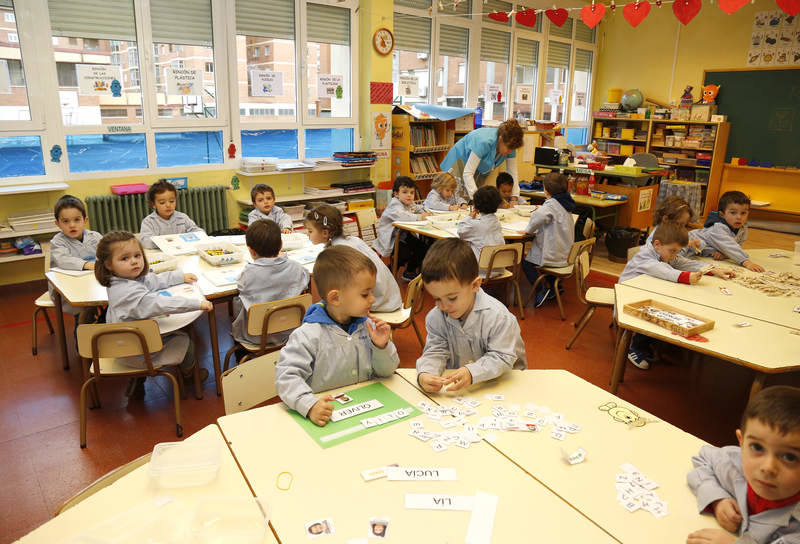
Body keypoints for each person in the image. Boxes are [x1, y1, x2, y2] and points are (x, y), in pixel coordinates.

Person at [275, 246, 399, 426]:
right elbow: (286, 377)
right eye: (365, 294)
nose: (372, 299)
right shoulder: (308, 335)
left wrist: (381, 347)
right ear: (335, 298)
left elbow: (388, 372)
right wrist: (309, 405)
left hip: (365, 411)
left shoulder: (369, 326)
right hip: (327, 416)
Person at [94, 231, 212, 398]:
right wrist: (196, 304)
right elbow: (162, 303)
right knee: (186, 340)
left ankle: (138, 378)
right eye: (124, 259)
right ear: (108, 264)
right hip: (135, 351)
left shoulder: (122, 280)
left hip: (124, 343)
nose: (134, 261)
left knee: (169, 330)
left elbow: (152, 280)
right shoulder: (128, 293)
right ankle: (189, 376)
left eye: (137, 255)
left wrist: (180, 277)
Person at [687, 385, 800, 544]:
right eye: (757, 447)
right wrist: (718, 499)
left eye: (790, 457)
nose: (768, 467)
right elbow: (702, 459)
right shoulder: (735, 463)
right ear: (741, 441)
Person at [620, 221, 736, 370]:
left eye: (677, 251)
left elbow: (683, 262)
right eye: (673, 251)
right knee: (660, 310)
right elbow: (664, 271)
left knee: (670, 303)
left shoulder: (663, 251)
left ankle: (657, 341)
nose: (675, 255)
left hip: (646, 293)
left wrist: (711, 269)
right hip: (629, 298)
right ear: (657, 244)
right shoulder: (645, 257)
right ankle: (637, 347)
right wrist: (686, 277)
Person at [416, 238, 526, 393]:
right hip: (465, 390)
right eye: (437, 299)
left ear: (475, 285)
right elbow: (435, 350)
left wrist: (472, 372)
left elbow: (502, 357)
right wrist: (426, 372)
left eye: (452, 298)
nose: (443, 306)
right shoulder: (436, 317)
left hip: (503, 385)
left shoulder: (498, 317)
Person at [305, 204, 401, 313]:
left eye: (310, 231)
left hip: (377, 302)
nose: (307, 234)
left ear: (325, 232)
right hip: (390, 296)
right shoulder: (351, 240)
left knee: (326, 305)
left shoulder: (338, 251)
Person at [231, 219, 309, 349]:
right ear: (281, 244)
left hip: (255, 336)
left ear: (251, 251)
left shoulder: (248, 273)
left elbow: (240, 286)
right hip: (291, 332)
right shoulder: (296, 268)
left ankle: (243, 361)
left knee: (238, 302)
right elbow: (305, 278)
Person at [522, 173, 576, 307]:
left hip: (553, 255)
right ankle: (555, 286)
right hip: (566, 255)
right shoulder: (565, 202)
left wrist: (528, 230)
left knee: (527, 264)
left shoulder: (550, 206)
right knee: (542, 260)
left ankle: (541, 289)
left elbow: (537, 218)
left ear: (546, 190)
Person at [440, 119, 524, 203]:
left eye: (513, 149)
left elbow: (513, 173)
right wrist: (478, 200)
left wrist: (514, 197)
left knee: (469, 201)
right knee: (453, 198)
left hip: (478, 170)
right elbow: (468, 173)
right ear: (500, 139)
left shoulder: (510, 145)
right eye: (509, 148)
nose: (510, 151)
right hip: (460, 162)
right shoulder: (484, 141)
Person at [49, 195, 103, 321]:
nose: (72, 225)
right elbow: (63, 260)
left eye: (77, 220)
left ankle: (104, 323)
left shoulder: (95, 237)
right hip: (66, 288)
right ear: (58, 223)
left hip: (93, 282)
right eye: (66, 221)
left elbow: (107, 253)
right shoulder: (57, 242)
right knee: (84, 312)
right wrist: (88, 265)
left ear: (85, 220)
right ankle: (82, 334)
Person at [372, 176, 431, 282]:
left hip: (403, 236)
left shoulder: (408, 203)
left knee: (422, 248)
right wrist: (420, 217)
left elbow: (419, 208)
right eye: (405, 192)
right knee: (405, 252)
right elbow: (403, 216)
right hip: (390, 239)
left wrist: (425, 212)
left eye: (412, 192)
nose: (409, 195)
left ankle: (409, 272)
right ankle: (389, 272)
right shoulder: (394, 205)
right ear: (396, 194)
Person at [688, 191, 764, 273]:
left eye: (743, 213)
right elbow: (730, 246)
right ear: (722, 214)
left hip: (702, 251)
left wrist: (725, 254)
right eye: (733, 213)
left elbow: (736, 245)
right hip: (688, 242)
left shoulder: (742, 228)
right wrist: (746, 262)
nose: (739, 217)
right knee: (679, 260)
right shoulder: (718, 228)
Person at [139, 179, 205, 249]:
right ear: (153, 204)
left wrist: (196, 236)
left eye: (171, 201)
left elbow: (199, 232)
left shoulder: (182, 218)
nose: (168, 205)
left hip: (183, 251)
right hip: (161, 254)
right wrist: (168, 242)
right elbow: (145, 242)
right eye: (162, 202)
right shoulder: (149, 222)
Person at [457, 185, 505, 276]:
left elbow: (460, 231)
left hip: (480, 271)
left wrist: (469, 216)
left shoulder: (476, 225)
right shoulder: (497, 222)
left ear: (476, 205)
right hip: (499, 268)